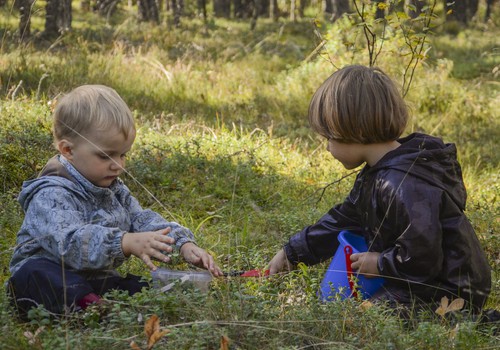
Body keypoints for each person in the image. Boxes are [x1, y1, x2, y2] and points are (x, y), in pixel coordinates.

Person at [268, 65, 491, 312]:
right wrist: (293, 252)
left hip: (448, 290)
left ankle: (466, 320)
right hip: (416, 281)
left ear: (356, 130)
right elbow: (342, 221)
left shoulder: (404, 183)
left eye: (328, 138)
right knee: (354, 310)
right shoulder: (378, 173)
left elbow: (423, 256)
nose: (327, 147)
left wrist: (381, 264)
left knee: (364, 317)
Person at [7, 85, 223, 318]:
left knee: (137, 285)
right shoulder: (51, 193)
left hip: (96, 279)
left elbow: (141, 219)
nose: (118, 165)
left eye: (123, 154)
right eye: (105, 155)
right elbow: (69, 244)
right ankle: (92, 307)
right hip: (47, 279)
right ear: (68, 149)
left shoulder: (112, 188)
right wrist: (123, 242)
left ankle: (102, 305)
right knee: (36, 274)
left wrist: (183, 244)